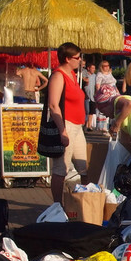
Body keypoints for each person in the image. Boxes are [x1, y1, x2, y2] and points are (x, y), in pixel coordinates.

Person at [46, 42, 88, 205]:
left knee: (83, 167)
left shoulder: (72, 74)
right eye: (77, 58)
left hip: (77, 126)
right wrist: (62, 131)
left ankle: (85, 201)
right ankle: (57, 205)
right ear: (67, 58)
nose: (80, 61)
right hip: (67, 125)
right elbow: (53, 104)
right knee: (60, 169)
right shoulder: (58, 75)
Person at [83, 62, 97, 130]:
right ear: (88, 68)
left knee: (91, 111)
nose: (94, 69)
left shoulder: (95, 76)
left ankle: (89, 125)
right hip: (86, 95)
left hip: (92, 96)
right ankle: (86, 124)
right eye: (92, 68)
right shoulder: (85, 75)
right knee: (87, 111)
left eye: (94, 68)